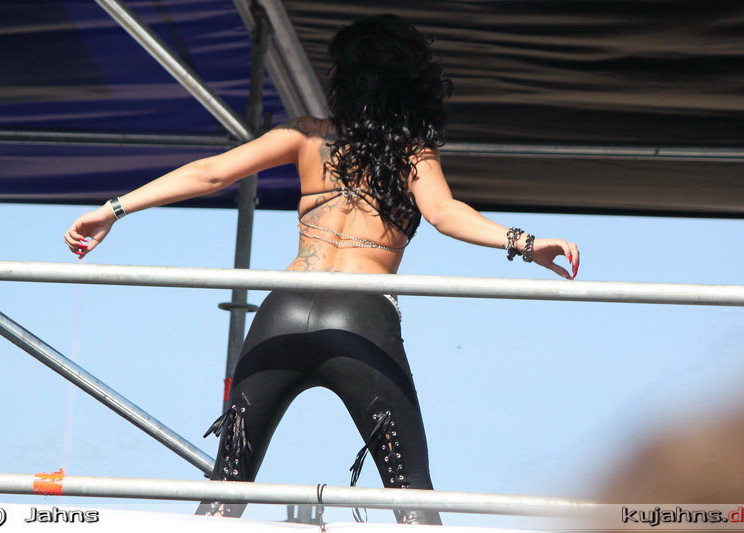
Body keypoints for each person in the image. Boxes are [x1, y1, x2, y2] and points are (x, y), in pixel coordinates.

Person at [64, 14, 579, 525]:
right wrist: (526, 243)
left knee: (225, 491)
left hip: (283, 311)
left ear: (345, 79)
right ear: (411, 83)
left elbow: (211, 173)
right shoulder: (412, 153)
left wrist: (112, 209)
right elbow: (445, 214)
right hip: (360, 317)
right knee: (411, 497)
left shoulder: (306, 134)